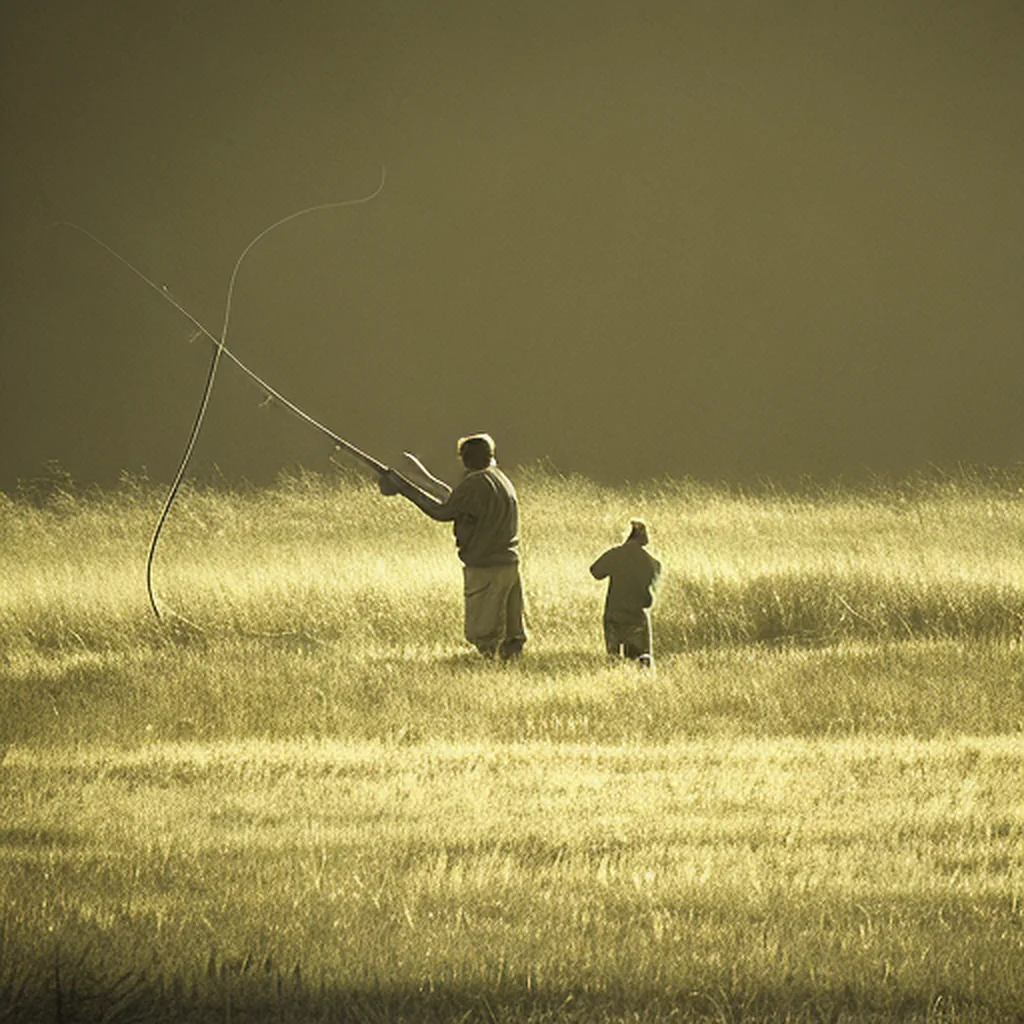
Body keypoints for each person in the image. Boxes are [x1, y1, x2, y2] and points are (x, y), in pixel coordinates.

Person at [378, 433, 526, 660]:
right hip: (509, 566)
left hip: (485, 569)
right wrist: (420, 478)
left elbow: (442, 511)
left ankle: (490, 675)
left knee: (484, 633)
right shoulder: (498, 479)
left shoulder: (475, 483)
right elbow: (455, 499)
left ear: (465, 459)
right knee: (510, 633)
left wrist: (403, 489)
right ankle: (509, 674)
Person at [590, 519, 661, 667]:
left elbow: (595, 571)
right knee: (641, 660)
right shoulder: (651, 562)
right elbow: (653, 590)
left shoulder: (616, 555)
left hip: (614, 614)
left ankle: (614, 682)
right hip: (636, 615)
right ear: (643, 538)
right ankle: (640, 686)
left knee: (613, 659)